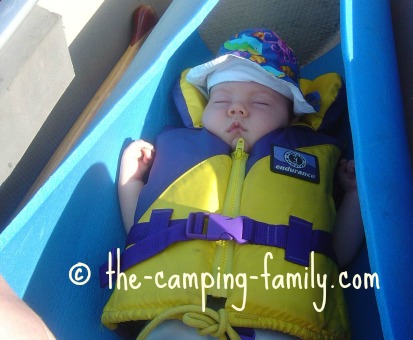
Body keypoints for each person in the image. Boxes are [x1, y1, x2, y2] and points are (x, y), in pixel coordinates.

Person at [102, 28, 364, 339]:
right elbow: (142, 232)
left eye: (261, 103)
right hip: (175, 315)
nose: (236, 109)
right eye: (222, 99)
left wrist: (356, 197)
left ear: (290, 118)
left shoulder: (311, 159)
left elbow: (334, 252)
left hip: (280, 323)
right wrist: (131, 178)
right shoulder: (179, 155)